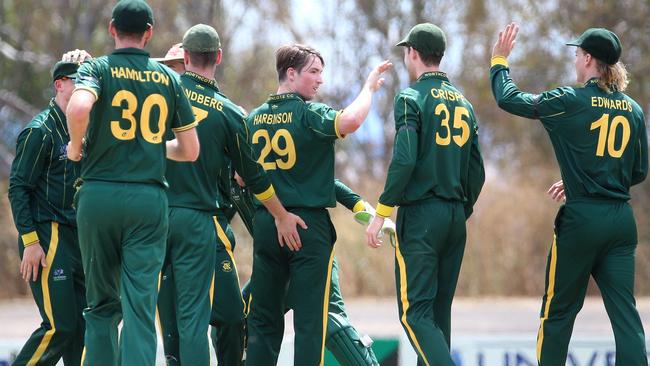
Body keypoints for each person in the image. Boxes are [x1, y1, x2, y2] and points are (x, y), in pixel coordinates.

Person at [491, 23, 648, 365]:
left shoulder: (570, 100)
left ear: (589, 59)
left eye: (577, 55)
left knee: (558, 314)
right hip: (621, 222)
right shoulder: (634, 110)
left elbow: (509, 99)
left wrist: (499, 61)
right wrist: (589, 179)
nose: (575, 61)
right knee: (626, 317)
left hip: (582, 222)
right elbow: (638, 172)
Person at [157, 24, 305, 365]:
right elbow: (254, 177)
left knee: (168, 320)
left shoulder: (160, 95)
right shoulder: (230, 113)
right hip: (200, 222)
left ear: (185, 57)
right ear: (219, 57)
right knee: (200, 320)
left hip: (153, 219)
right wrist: (281, 215)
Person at [64, 1, 201, 365]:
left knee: (101, 305)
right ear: (149, 33)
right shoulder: (169, 79)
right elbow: (190, 150)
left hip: (98, 195)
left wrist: (76, 147)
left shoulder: (97, 68)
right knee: (139, 306)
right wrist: (153, 146)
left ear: (111, 29)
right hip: (147, 199)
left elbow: (78, 109)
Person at [245, 43, 391, 366]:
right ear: (291, 73)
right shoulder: (309, 114)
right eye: (314, 72)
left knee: (262, 323)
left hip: (268, 226)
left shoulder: (252, 119)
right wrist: (368, 88)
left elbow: (243, 179)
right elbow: (351, 121)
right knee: (311, 324)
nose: (320, 80)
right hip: (308, 231)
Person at [366, 23, 485, 366]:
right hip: (454, 216)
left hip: (421, 217)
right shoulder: (464, 104)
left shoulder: (411, 97)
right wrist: (461, 210)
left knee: (414, 314)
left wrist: (382, 211)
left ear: (413, 53)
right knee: (437, 314)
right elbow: (477, 171)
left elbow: (404, 159)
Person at [8, 53, 91, 366]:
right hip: (46, 235)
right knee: (60, 326)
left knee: (82, 327)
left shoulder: (85, 128)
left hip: (77, 238)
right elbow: (18, 188)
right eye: (78, 82)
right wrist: (30, 240)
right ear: (60, 85)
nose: (85, 89)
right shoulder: (40, 130)